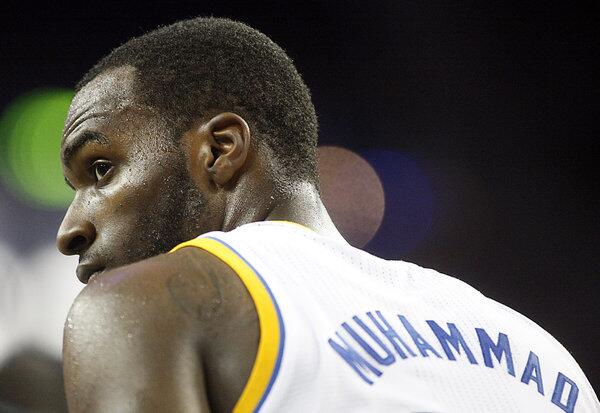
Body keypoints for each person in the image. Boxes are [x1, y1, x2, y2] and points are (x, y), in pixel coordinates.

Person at [56, 17, 599, 412]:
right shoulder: (548, 359)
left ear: (220, 149)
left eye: (100, 169)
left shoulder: (134, 308)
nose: (69, 229)